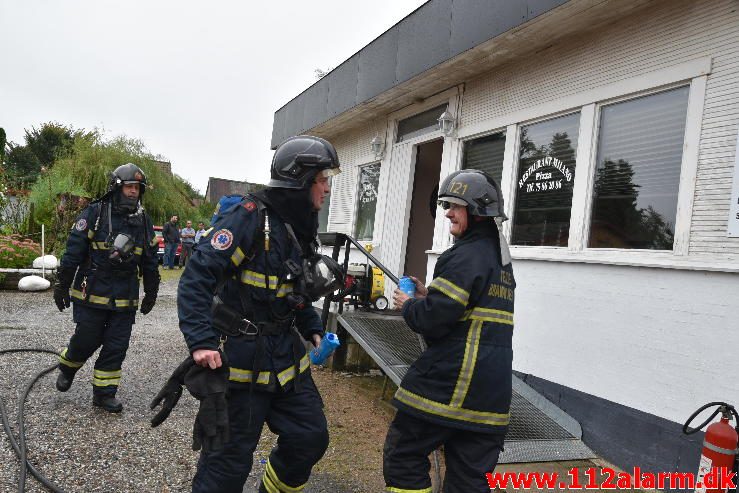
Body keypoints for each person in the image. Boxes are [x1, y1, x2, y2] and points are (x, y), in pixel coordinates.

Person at [174, 135, 343, 493]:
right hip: (241, 363)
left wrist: (311, 325)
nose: (327, 189)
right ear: (300, 180)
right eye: (323, 179)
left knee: (310, 439)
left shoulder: (302, 224)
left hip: (287, 361)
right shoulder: (248, 219)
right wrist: (201, 342)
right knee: (226, 465)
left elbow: (293, 289)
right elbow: (196, 278)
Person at [384, 169, 514, 493]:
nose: (447, 213)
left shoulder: (464, 256)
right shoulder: (499, 260)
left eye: (456, 206)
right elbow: (465, 309)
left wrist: (410, 305)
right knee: (469, 482)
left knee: (403, 456)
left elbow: (433, 322)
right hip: (490, 397)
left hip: (451, 385)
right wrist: (430, 296)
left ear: (477, 210)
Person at [53, 163, 160, 413]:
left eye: (138, 188)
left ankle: (104, 394)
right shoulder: (94, 213)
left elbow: (150, 260)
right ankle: (68, 367)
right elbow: (73, 253)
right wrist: (62, 285)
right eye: (130, 187)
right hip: (92, 291)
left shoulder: (143, 220)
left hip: (125, 298)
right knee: (87, 339)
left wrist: (151, 292)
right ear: (116, 187)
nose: (134, 192)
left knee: (116, 346)